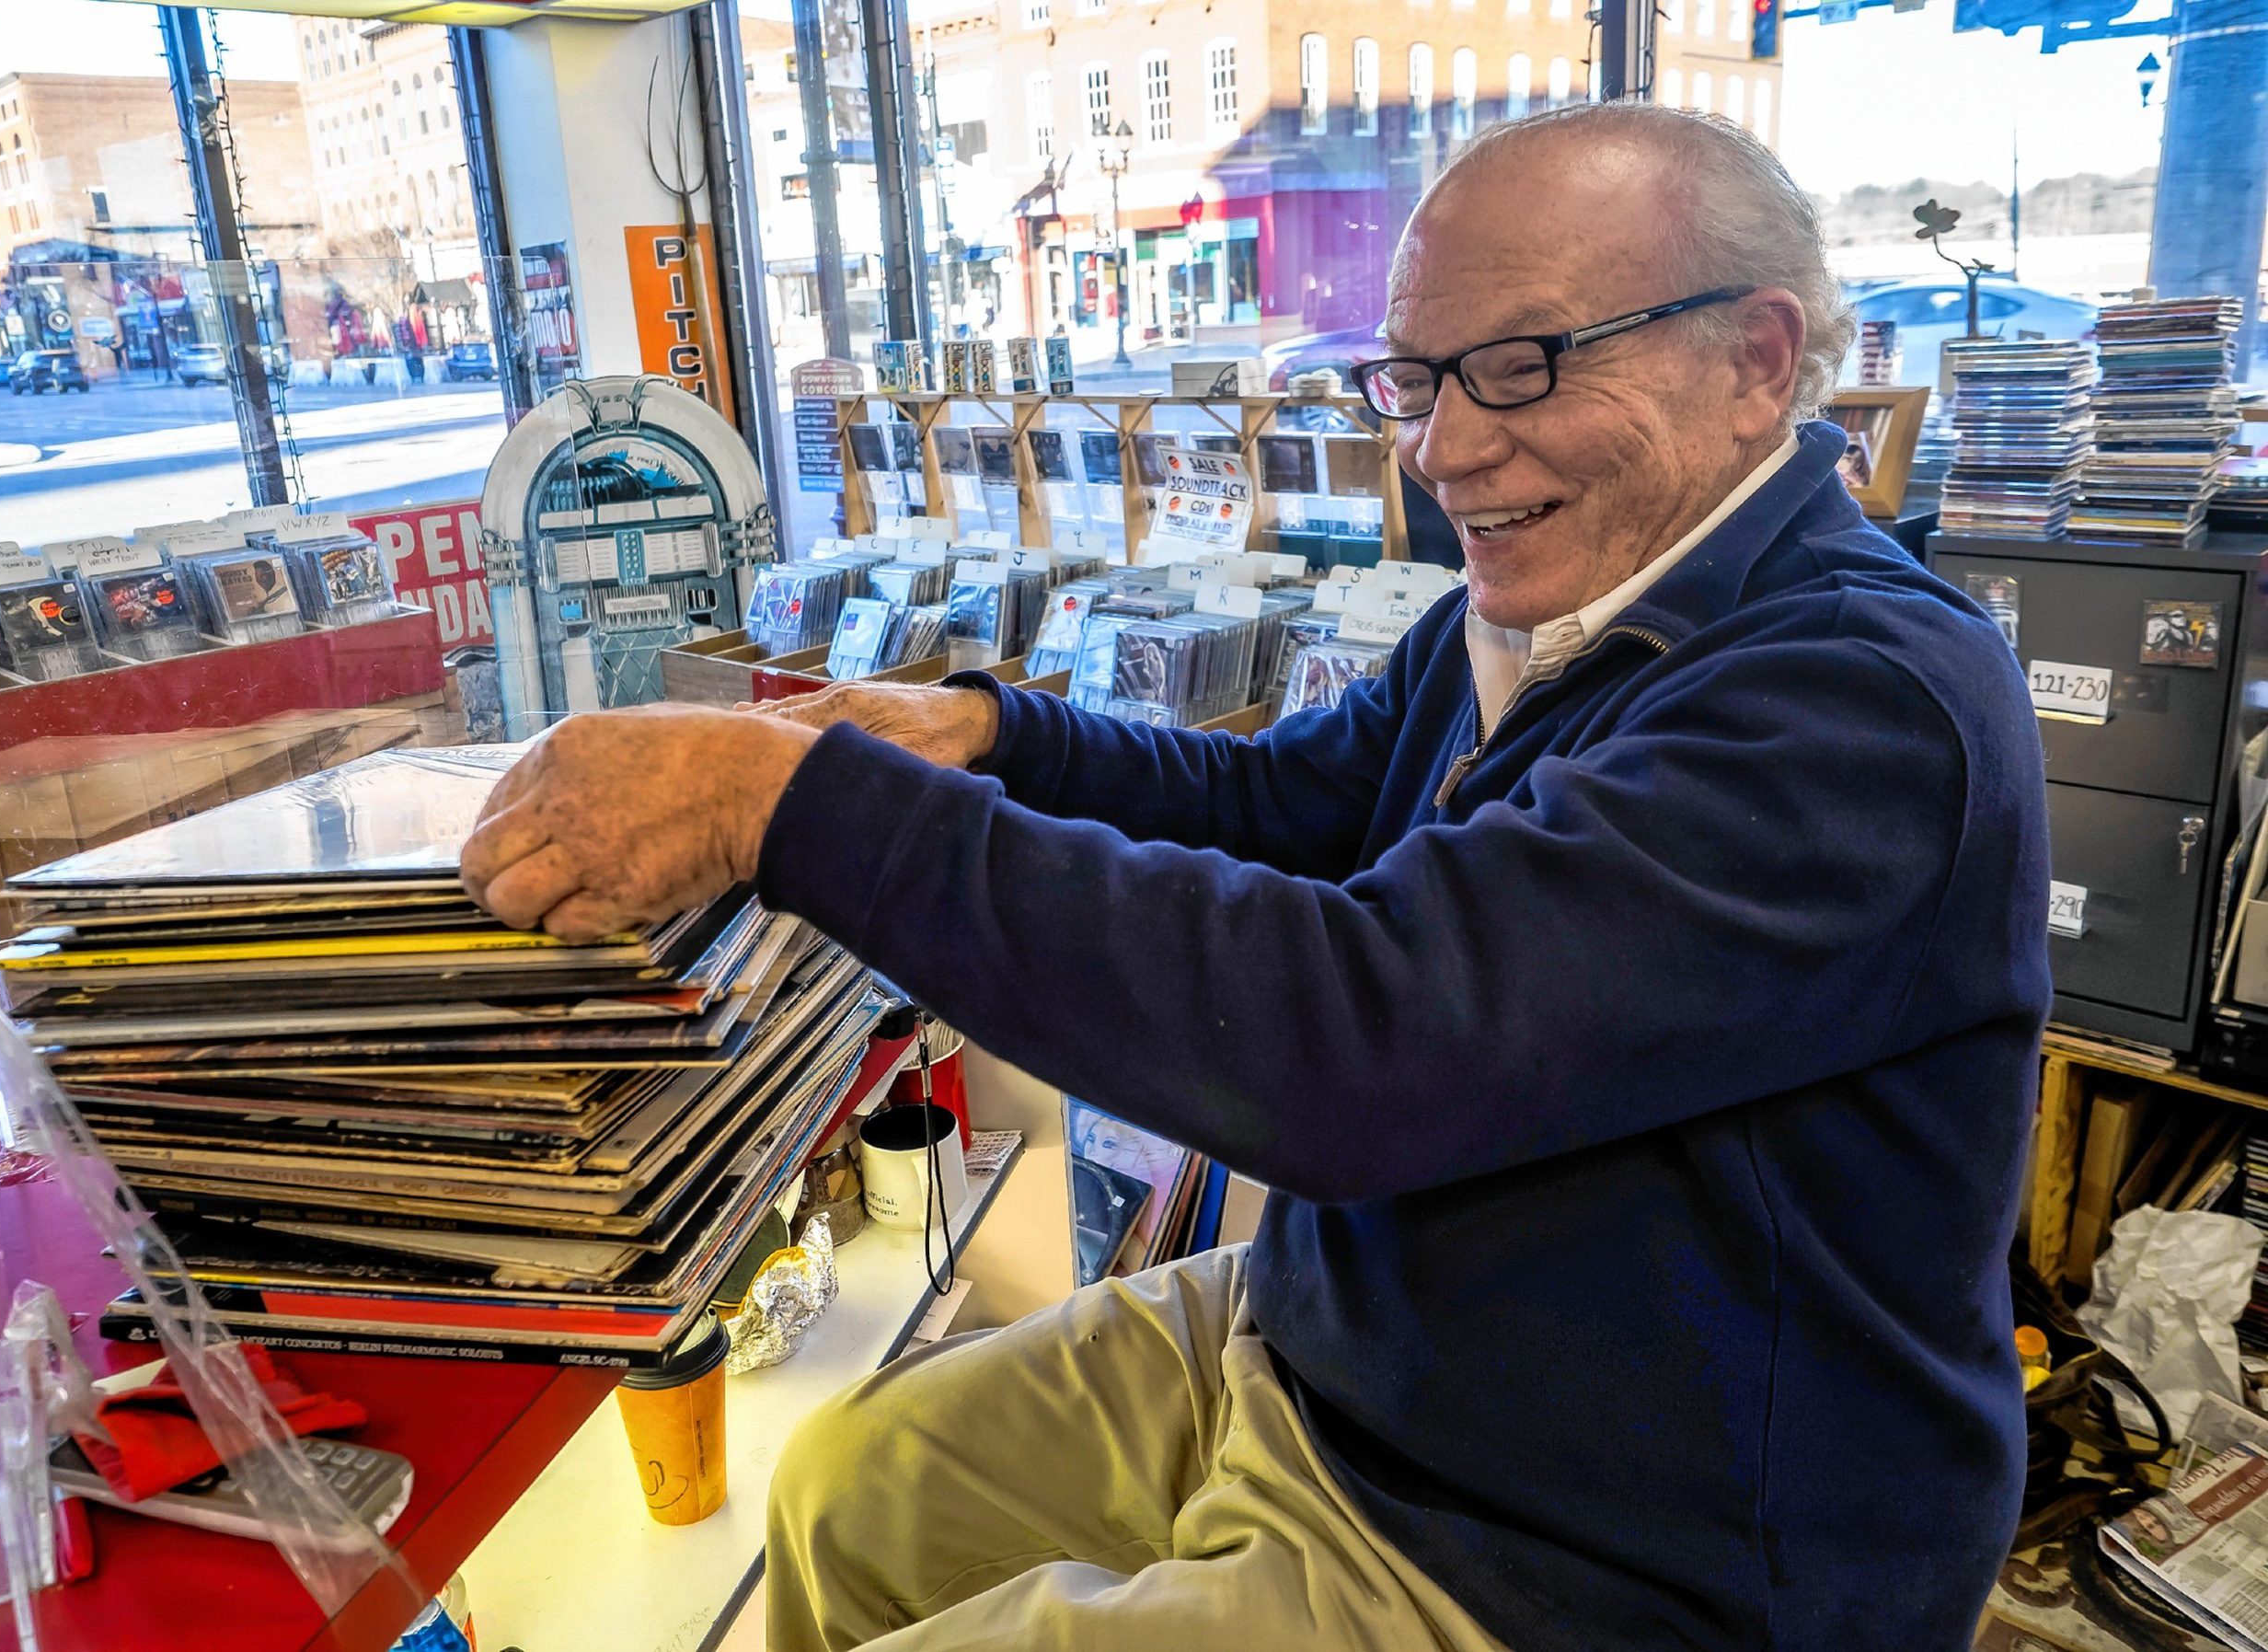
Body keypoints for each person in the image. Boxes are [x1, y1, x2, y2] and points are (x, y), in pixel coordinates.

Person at [459, 104, 2048, 1651]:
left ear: (1758, 361)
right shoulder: (1546, 605)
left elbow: (1363, 1043)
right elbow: (1292, 798)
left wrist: (794, 806)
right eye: (1416, 379)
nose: (1445, 448)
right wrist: (987, 733)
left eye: (1520, 366)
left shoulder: (1858, 698)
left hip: (1602, 1550)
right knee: (846, 1489)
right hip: (1351, 1345)